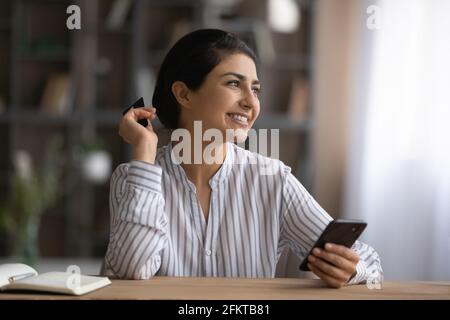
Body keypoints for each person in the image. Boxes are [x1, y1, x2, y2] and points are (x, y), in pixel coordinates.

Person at [101, 29, 383, 288]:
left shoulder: (273, 180)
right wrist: (144, 150)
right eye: (234, 83)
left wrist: (349, 269)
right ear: (184, 94)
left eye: (255, 89)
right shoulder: (133, 178)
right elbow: (130, 272)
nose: (251, 102)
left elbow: (368, 261)